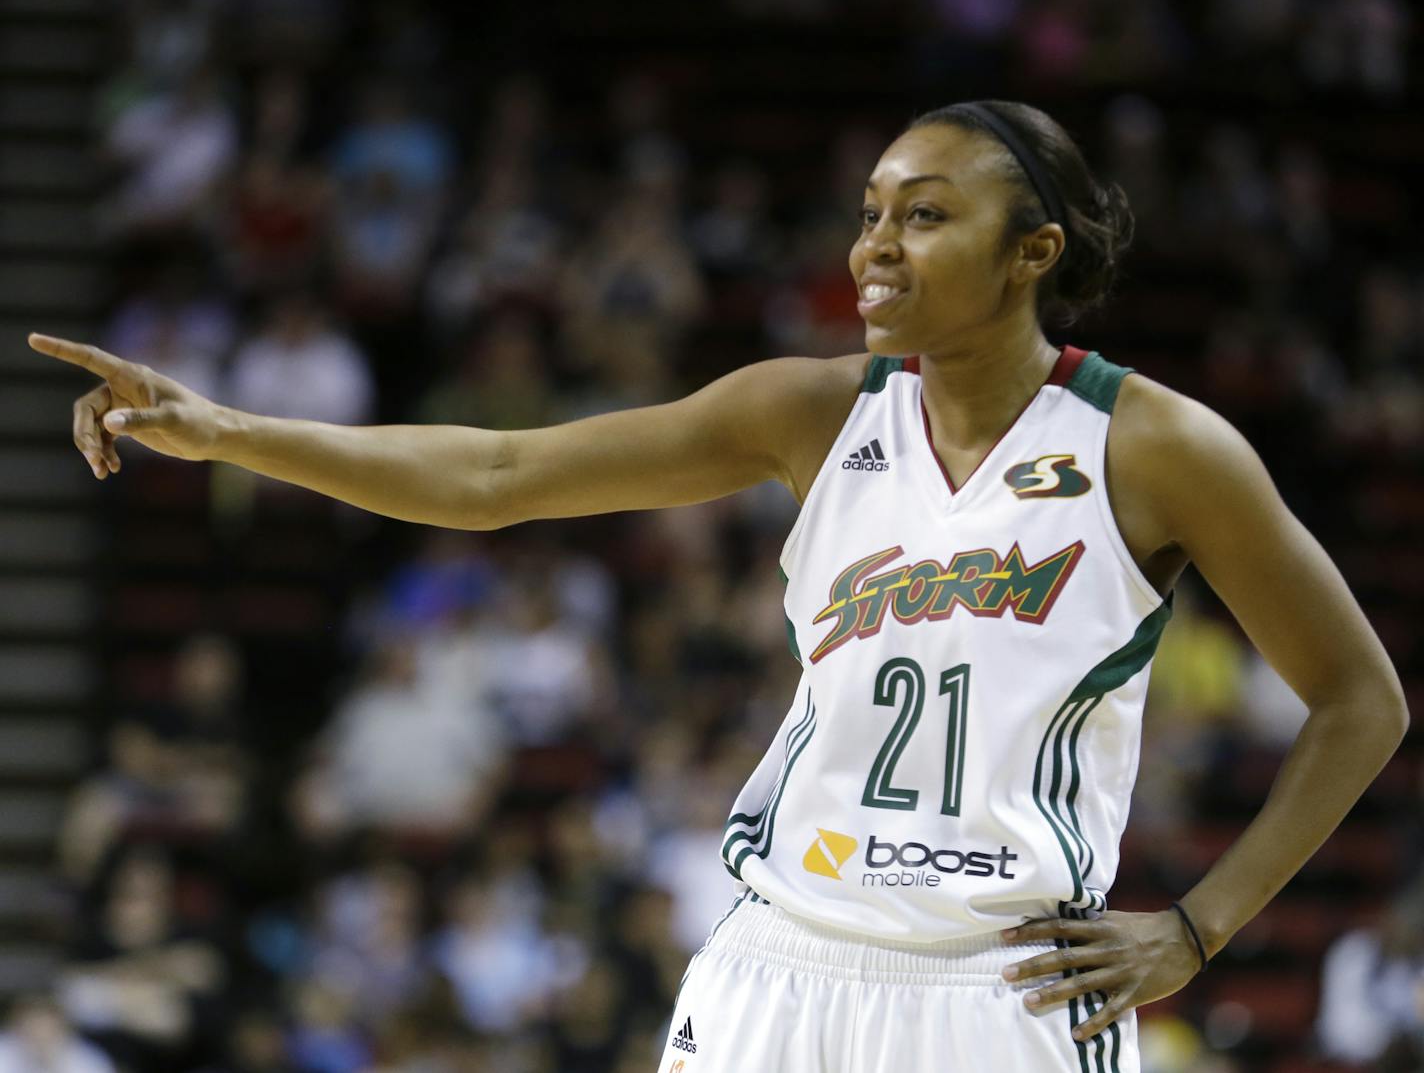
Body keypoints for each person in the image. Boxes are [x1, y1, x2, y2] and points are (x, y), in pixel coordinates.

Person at [30, 99, 1409, 1072]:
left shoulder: (1156, 445)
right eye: (870, 213)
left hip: (1003, 983)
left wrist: (1196, 926)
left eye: (925, 217)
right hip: (779, 959)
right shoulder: (811, 411)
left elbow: (1360, 700)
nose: (874, 246)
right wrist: (227, 429)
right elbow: (499, 471)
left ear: (1032, 252)